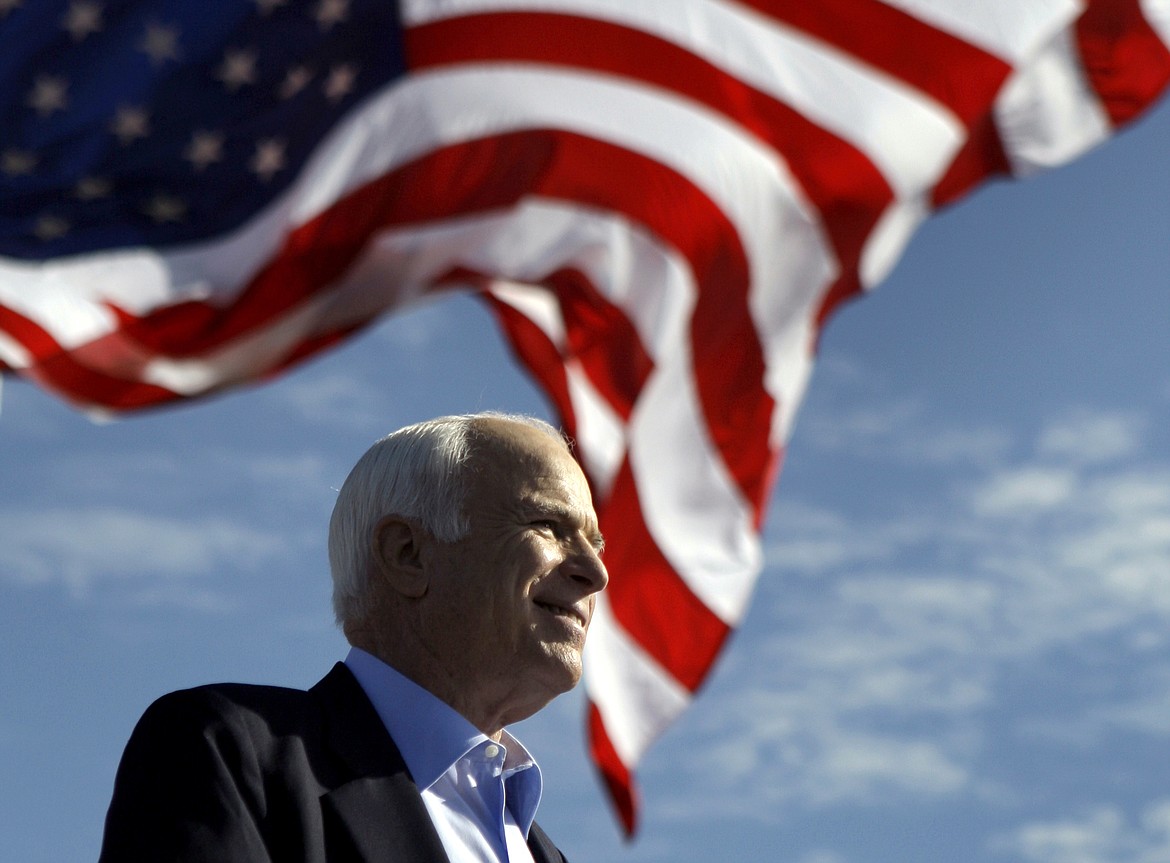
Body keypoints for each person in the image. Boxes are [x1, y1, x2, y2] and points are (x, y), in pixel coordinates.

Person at [99, 412, 609, 863]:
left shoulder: (542, 851)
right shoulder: (228, 755)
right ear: (406, 554)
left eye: (596, 542)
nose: (596, 573)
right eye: (548, 526)